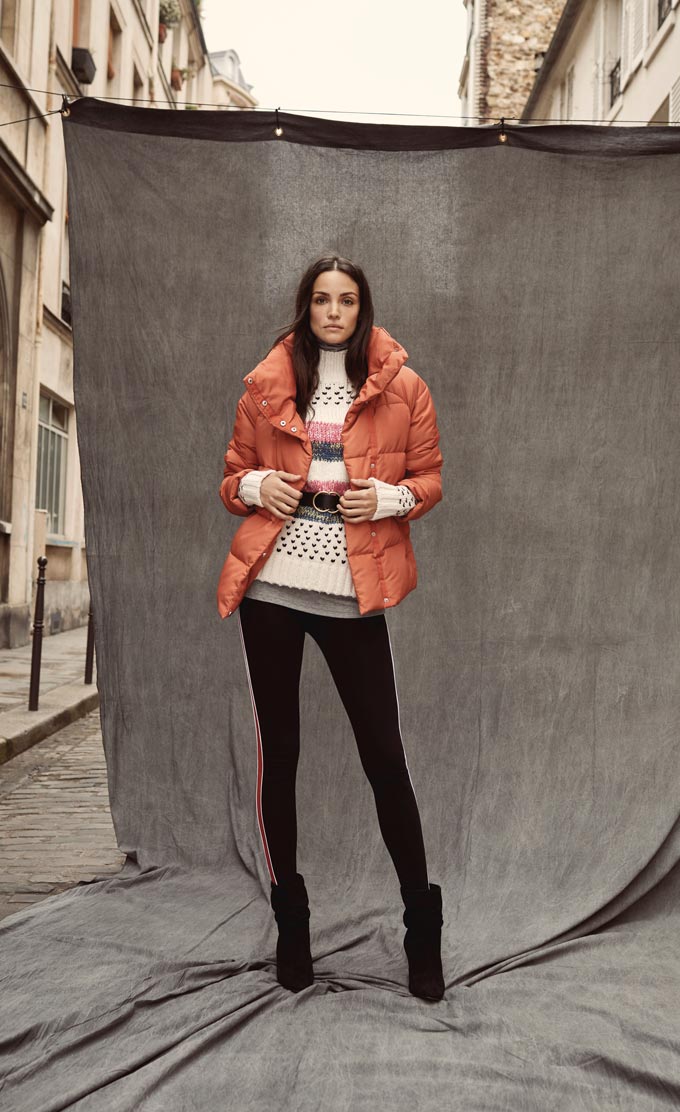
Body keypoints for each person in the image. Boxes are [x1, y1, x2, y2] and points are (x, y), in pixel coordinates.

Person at [217, 253, 445, 1001]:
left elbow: (430, 479)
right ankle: (292, 924)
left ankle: (422, 927)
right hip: (274, 587)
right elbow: (230, 478)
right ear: (306, 308)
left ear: (363, 307)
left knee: (385, 756)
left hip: (352, 589)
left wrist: (384, 500)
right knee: (279, 754)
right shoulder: (267, 385)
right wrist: (256, 483)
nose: (335, 311)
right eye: (322, 299)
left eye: (347, 299)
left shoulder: (404, 387)